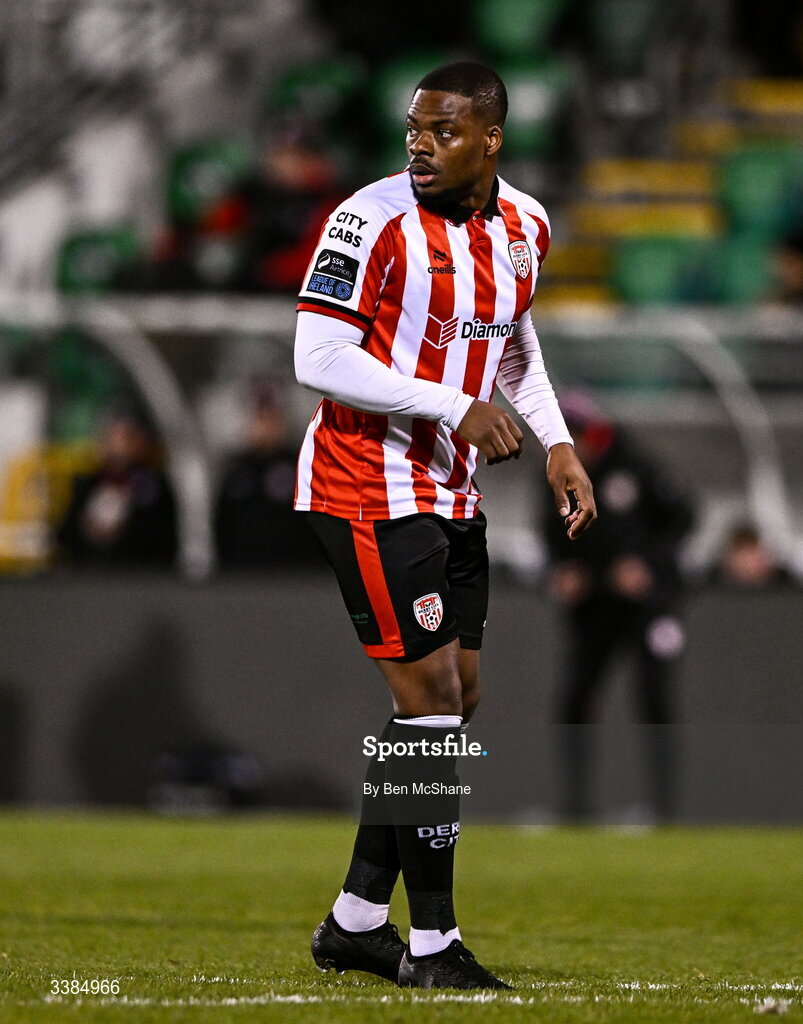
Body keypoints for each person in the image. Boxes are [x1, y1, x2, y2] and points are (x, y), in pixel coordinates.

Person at [293, 62, 596, 990]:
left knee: (454, 703)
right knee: (427, 703)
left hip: (453, 491)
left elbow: (511, 343)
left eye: (443, 130)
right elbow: (316, 354)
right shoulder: (368, 219)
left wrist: (556, 443)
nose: (419, 144)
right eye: (414, 128)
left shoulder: (526, 227)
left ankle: (352, 922)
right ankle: (431, 946)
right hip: (364, 484)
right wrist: (447, 406)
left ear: (490, 139)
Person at [541, 392, 693, 824]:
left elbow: (683, 518)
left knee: (654, 700)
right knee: (574, 699)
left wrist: (647, 564)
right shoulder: (556, 475)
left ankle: (663, 810)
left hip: (646, 607)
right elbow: (551, 531)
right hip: (596, 608)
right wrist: (563, 569)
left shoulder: (635, 466)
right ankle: (575, 807)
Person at [214, 382, 322, 570]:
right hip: (241, 570)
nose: (265, 427)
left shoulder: (300, 465)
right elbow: (223, 521)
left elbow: (312, 521)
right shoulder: (237, 468)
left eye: (272, 419)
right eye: (260, 419)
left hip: (293, 571)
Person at [56, 405, 178, 569]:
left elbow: (160, 539)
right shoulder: (88, 483)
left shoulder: (154, 487)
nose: (119, 444)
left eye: (128, 437)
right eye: (113, 436)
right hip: (86, 575)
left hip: (135, 578)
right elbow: (63, 534)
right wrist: (88, 529)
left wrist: (120, 532)